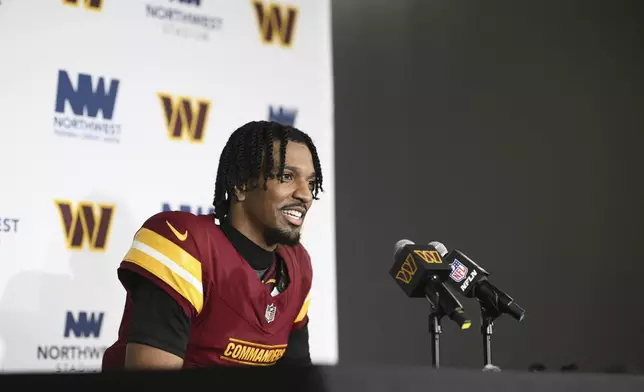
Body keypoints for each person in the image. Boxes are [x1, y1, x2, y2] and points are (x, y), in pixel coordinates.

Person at [101, 121, 324, 370]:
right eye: (287, 176)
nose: (305, 194)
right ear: (241, 185)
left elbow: (298, 380)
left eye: (311, 183)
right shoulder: (185, 243)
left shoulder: (298, 264)